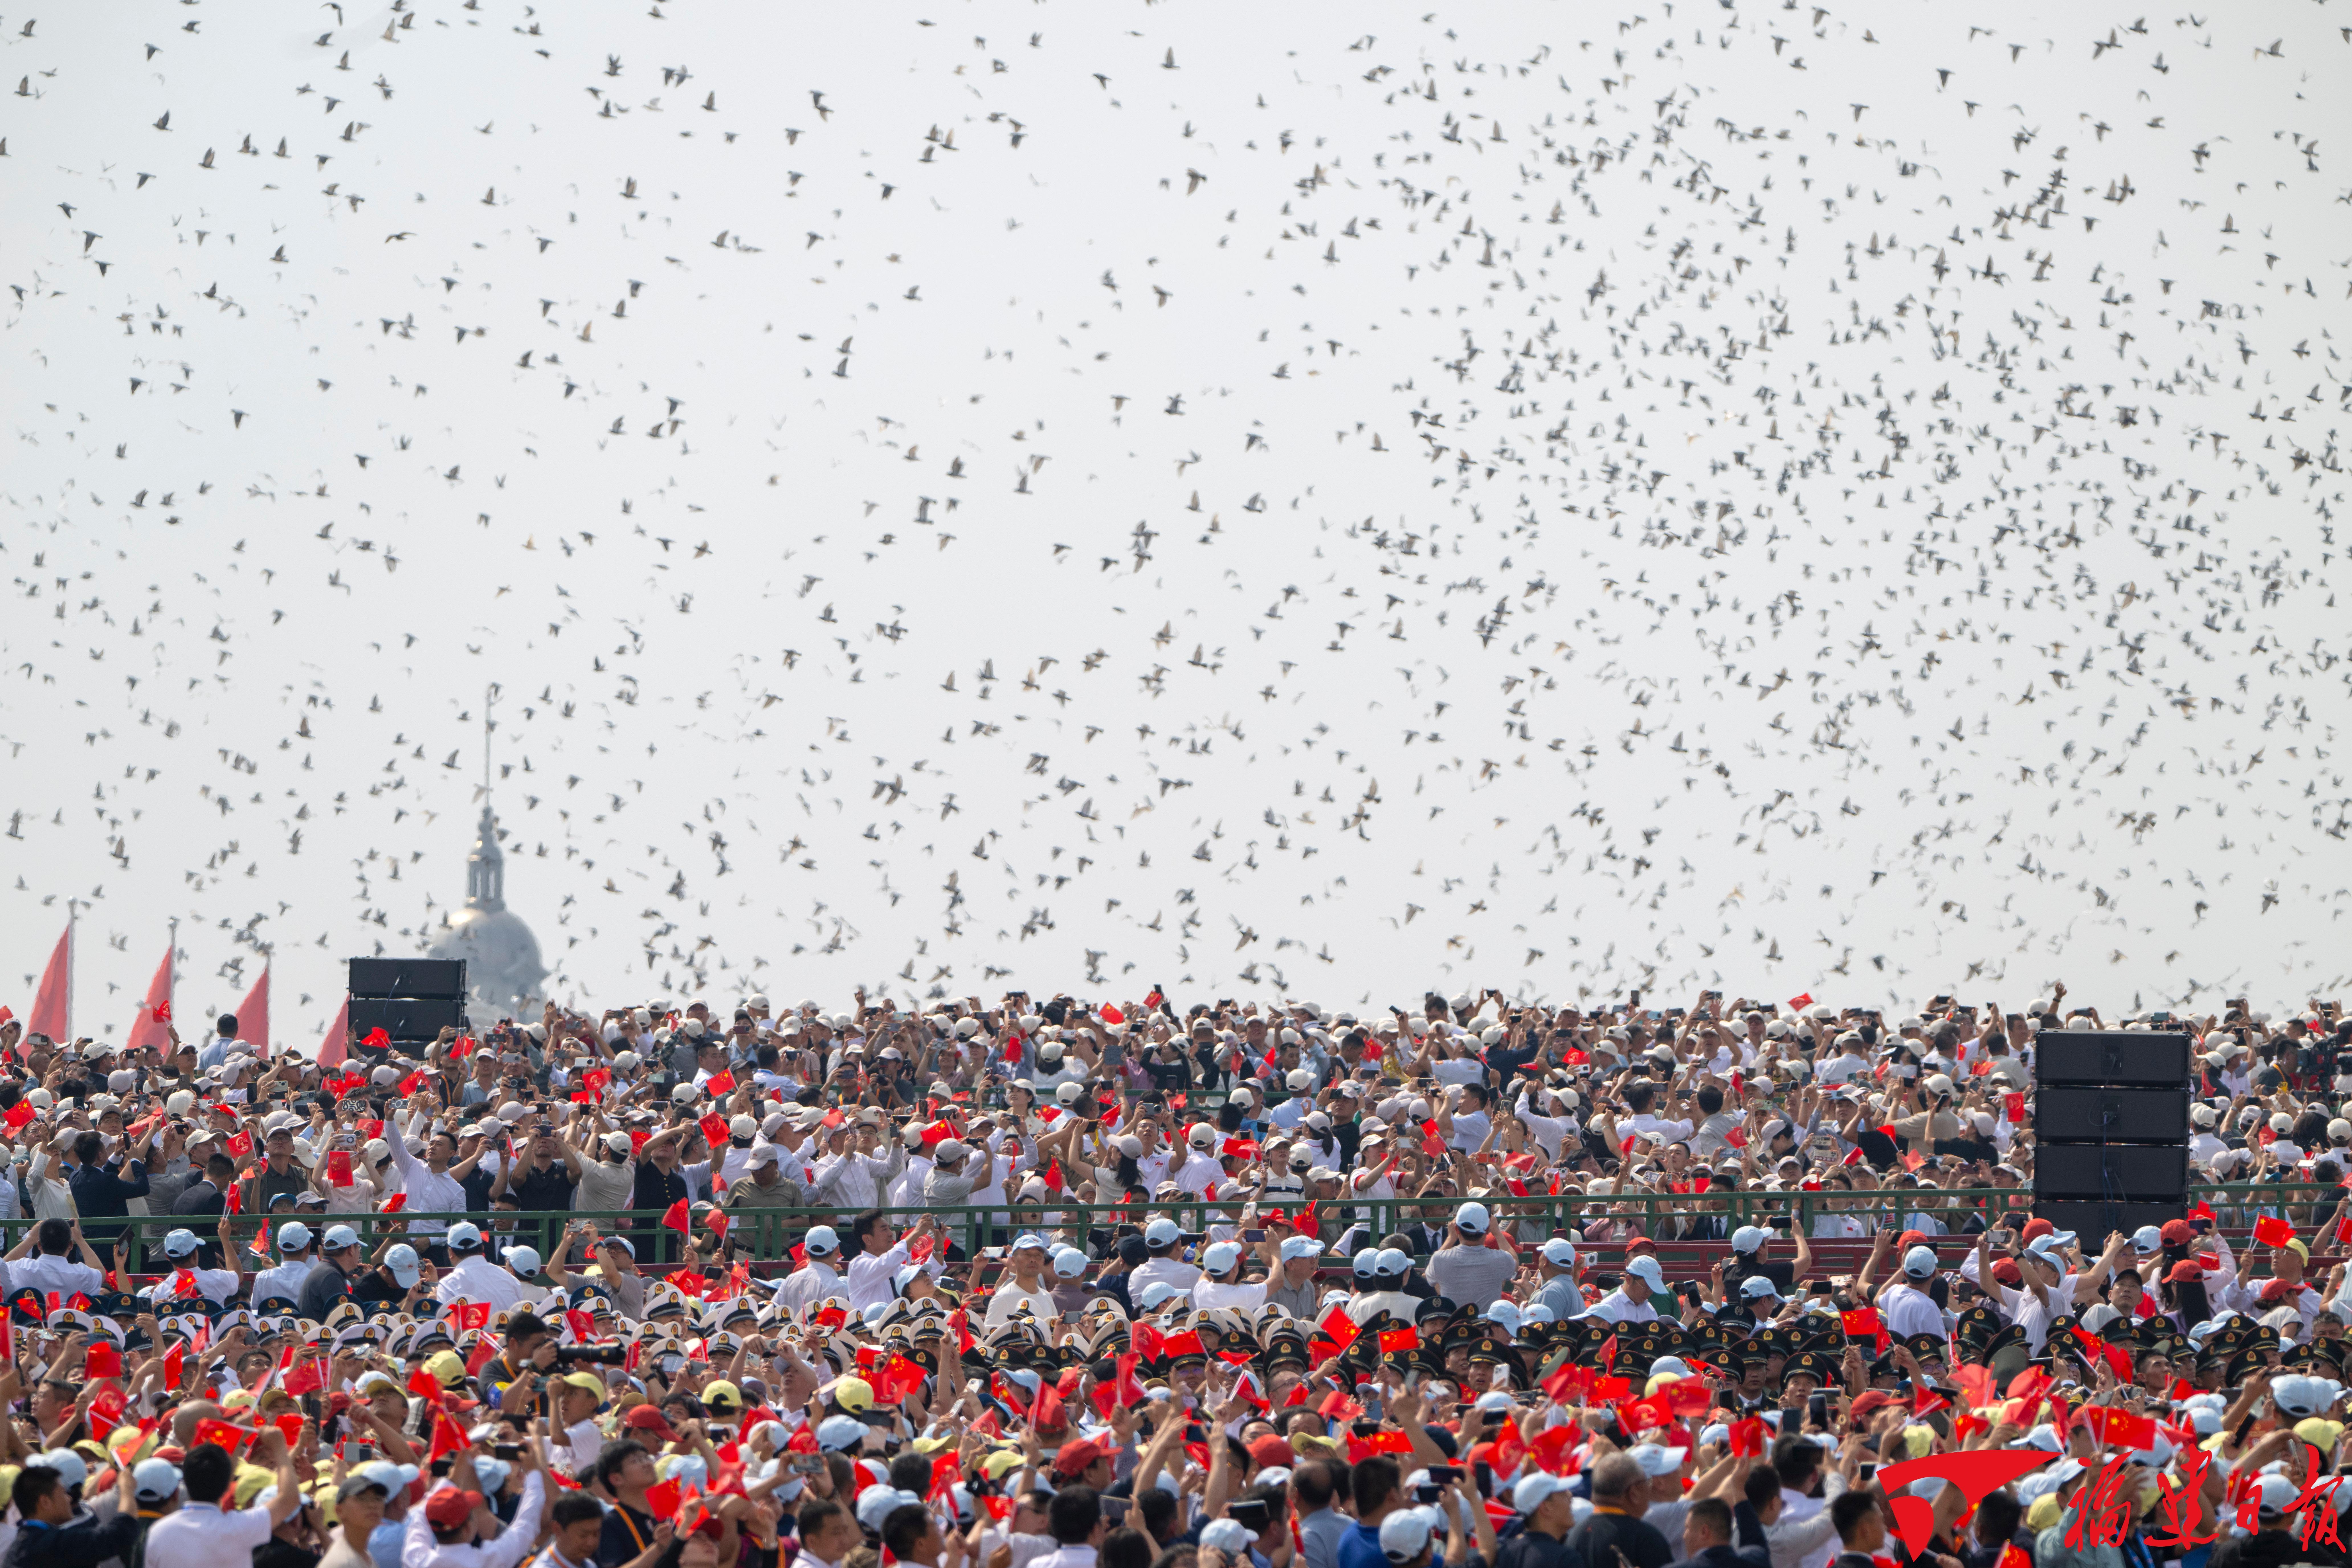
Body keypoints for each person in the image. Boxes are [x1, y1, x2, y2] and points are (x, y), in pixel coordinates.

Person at [144, 1441, 304, 1568]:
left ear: (183, 1483)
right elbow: (290, 1499)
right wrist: (279, 1448)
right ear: (228, 1486)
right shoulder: (241, 1527)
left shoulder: (159, 1531)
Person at [1561, 1455, 1673, 1568]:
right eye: (1647, 1482)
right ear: (1634, 1493)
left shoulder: (1574, 1537)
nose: (1650, 1488)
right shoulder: (1647, 1539)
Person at [1666, 1499, 1770, 1568]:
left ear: (1704, 1532)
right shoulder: (1757, 1560)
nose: (1684, 1536)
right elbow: (1756, 1543)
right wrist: (1740, 1497)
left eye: (1687, 1528)